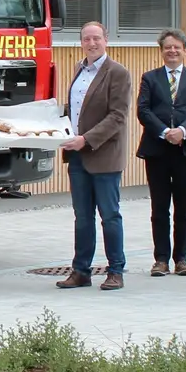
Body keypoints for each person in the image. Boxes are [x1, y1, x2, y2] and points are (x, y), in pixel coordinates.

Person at [57, 22, 133, 291]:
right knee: (83, 216)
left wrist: (86, 140)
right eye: (87, 39)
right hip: (77, 156)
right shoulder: (79, 70)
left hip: (103, 155)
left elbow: (118, 116)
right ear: (81, 43)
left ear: (106, 40)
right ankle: (81, 271)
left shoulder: (118, 73)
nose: (92, 43)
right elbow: (74, 110)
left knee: (110, 215)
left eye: (96, 38)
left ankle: (115, 271)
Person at [135, 28, 186, 277]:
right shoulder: (150, 78)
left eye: (177, 47)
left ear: (184, 50)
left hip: (185, 151)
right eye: (168, 47)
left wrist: (182, 131)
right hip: (157, 150)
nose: (172, 51)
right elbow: (143, 110)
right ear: (162, 51)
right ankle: (161, 259)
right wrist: (165, 131)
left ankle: (181, 259)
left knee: (183, 207)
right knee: (159, 207)